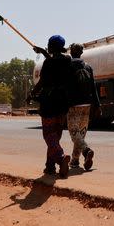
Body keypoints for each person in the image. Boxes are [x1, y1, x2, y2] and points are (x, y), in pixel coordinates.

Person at [30, 35, 72, 178]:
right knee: (56, 135)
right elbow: (55, 61)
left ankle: (60, 158)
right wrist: (43, 52)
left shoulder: (48, 63)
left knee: (49, 135)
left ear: (51, 47)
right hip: (63, 103)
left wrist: (31, 94)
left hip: (49, 102)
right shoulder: (68, 60)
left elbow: (41, 82)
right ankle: (50, 166)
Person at [67, 43, 99, 171]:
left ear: (71, 52)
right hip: (87, 104)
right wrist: (98, 105)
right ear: (81, 52)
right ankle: (75, 161)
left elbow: (65, 87)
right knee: (80, 133)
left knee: (74, 134)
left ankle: (86, 151)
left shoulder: (68, 67)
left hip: (73, 105)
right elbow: (93, 87)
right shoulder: (88, 67)